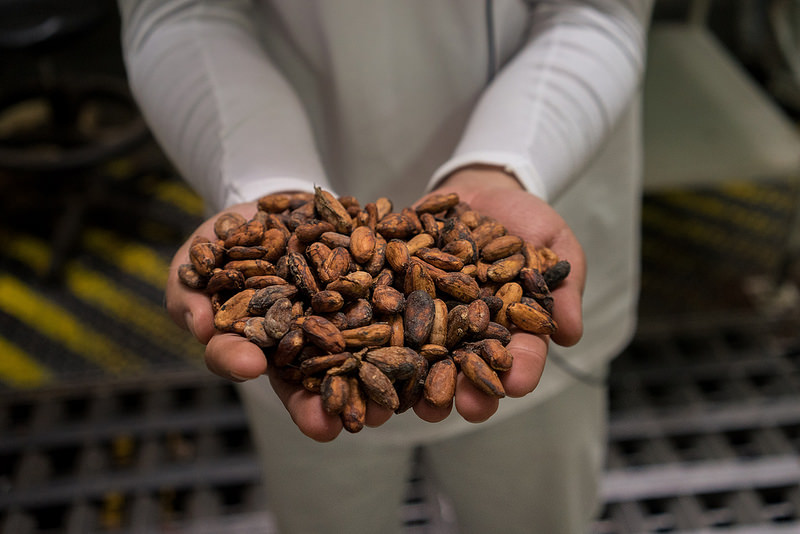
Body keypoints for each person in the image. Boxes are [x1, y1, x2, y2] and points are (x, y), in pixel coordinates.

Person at [117, 1, 653, 532]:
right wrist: (262, 183)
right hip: (296, 308)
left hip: (537, 190)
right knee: (327, 510)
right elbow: (179, 13)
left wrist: (507, 165)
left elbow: (597, 12)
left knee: (534, 513)